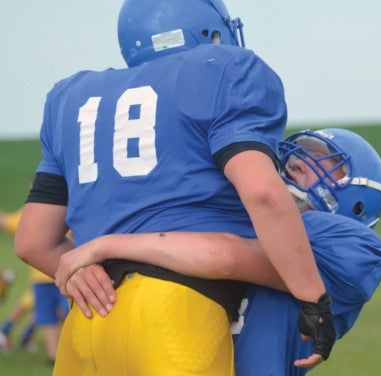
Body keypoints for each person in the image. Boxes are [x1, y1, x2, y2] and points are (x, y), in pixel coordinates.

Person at [14, 1, 335, 375]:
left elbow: (32, 242)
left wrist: (86, 272)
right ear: (209, 28)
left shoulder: (69, 97)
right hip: (177, 311)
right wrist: (315, 299)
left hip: (88, 323)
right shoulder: (224, 70)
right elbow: (263, 193)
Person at [55, 128, 381, 375]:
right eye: (298, 154)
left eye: (322, 161)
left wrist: (106, 248)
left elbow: (228, 257)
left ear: (359, 200)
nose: (296, 163)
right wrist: (92, 269)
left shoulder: (357, 249)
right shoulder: (239, 218)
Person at [0, 207, 69, 363]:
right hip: (42, 276)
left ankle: (15, 332)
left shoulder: (65, 208)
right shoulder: (30, 213)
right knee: (43, 312)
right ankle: (51, 355)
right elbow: (7, 222)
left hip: (64, 274)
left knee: (60, 311)